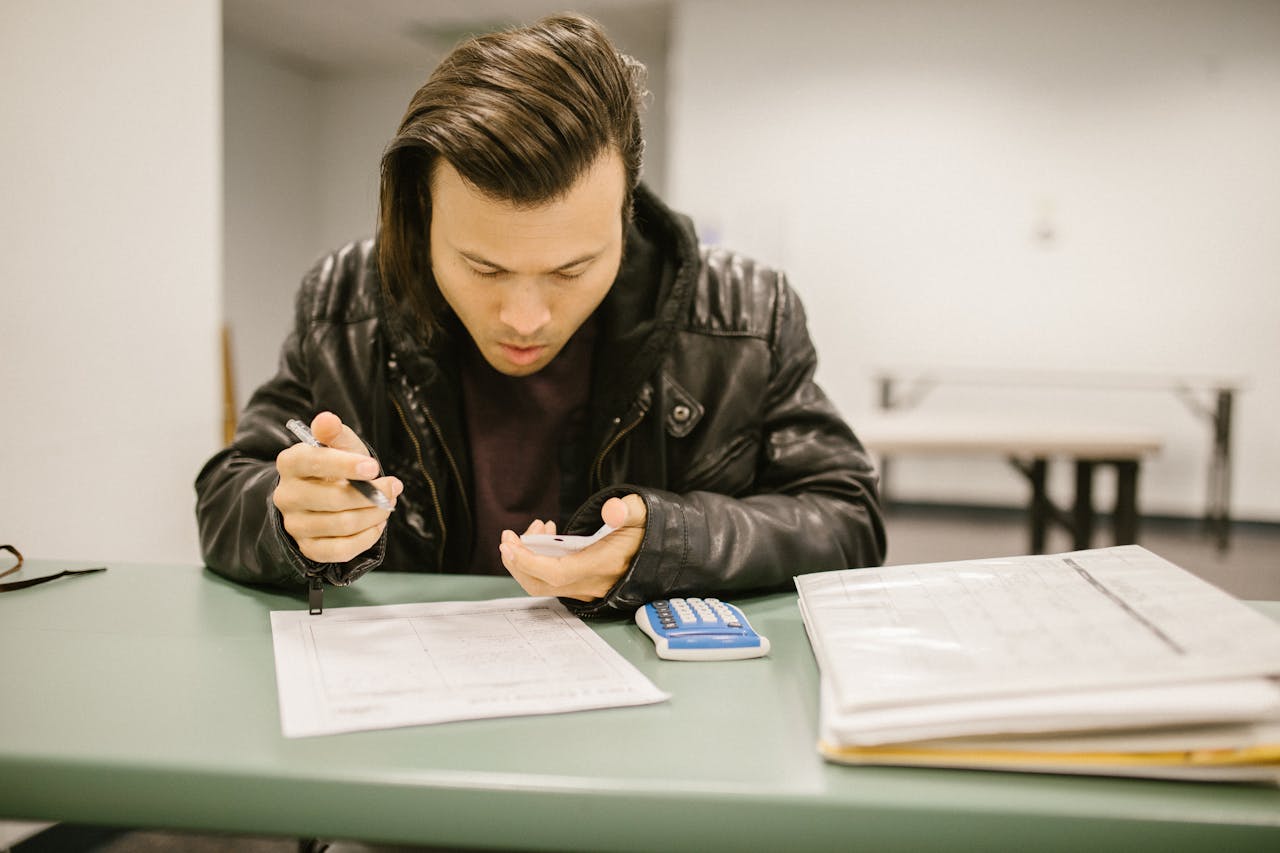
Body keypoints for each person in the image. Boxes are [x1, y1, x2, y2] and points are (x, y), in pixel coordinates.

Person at [196, 13, 886, 617]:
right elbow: (230, 492)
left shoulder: (746, 312)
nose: (524, 318)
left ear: (627, 215)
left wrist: (671, 546)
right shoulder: (343, 299)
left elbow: (846, 516)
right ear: (422, 218)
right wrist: (291, 518)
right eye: (484, 268)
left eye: (571, 270)